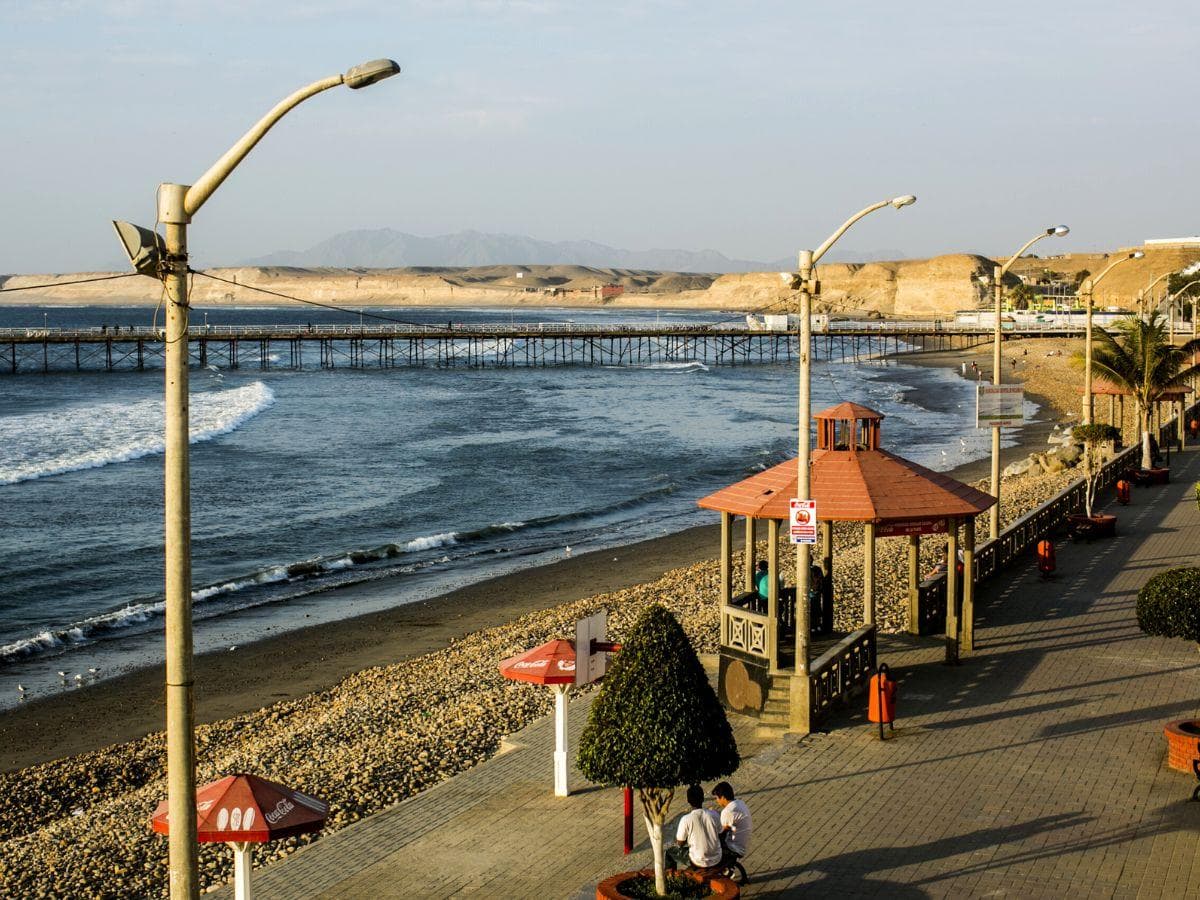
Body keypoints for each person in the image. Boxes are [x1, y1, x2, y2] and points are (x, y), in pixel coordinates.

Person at [666, 785, 722, 871]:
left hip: (698, 861)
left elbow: (680, 843)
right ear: (703, 799)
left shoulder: (686, 819)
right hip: (716, 858)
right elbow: (720, 832)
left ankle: (670, 878)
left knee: (670, 853)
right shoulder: (714, 814)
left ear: (688, 801)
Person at [713, 782, 753, 866]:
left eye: (717, 798)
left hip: (734, 846)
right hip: (743, 842)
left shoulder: (727, 811)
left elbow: (722, 834)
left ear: (723, 797)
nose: (716, 801)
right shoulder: (740, 803)